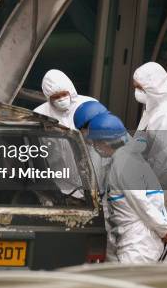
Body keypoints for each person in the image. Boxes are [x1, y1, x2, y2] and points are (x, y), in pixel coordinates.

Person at [88, 112, 167, 262]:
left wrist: (164, 230)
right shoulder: (125, 158)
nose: (95, 147)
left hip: (137, 246)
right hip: (136, 243)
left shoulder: (123, 164)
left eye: (95, 142)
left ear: (105, 142)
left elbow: (141, 202)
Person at [133, 62, 167, 218]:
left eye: (140, 88)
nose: (137, 92)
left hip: (162, 198)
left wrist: (150, 202)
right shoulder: (152, 111)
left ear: (154, 88)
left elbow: (166, 167)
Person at [73, 101, 116, 260]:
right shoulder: (90, 143)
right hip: (103, 206)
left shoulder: (112, 143)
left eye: (84, 129)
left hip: (114, 209)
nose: (83, 133)